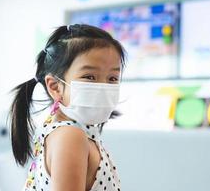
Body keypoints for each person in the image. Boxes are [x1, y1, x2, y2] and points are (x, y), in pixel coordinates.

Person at [9, 24, 125, 191]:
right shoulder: (70, 136)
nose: (103, 86)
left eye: (113, 78)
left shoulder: (73, 133)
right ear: (55, 87)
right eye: (89, 76)